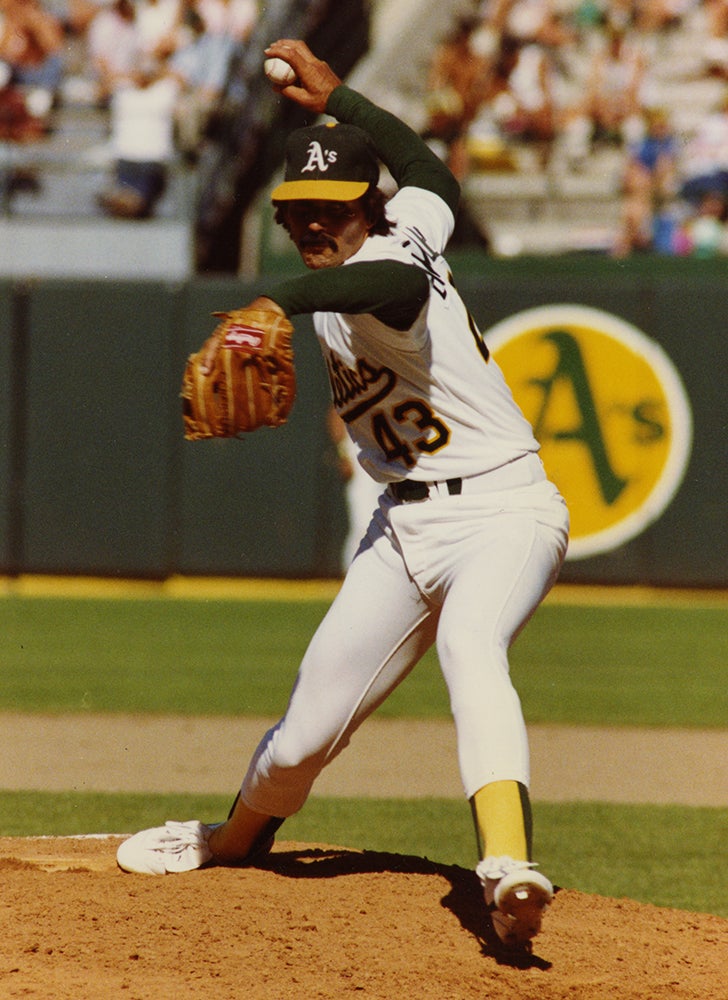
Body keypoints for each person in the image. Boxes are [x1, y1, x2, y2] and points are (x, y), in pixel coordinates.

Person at [116, 38, 570, 955]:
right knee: (299, 742)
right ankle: (233, 842)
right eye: (297, 214)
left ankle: (508, 869)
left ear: (370, 210)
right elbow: (429, 169)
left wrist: (274, 301)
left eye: (331, 209)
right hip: (404, 529)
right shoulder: (420, 218)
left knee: (474, 647)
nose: (314, 226)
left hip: (505, 511)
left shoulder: (393, 269)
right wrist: (344, 100)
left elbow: (391, 282)